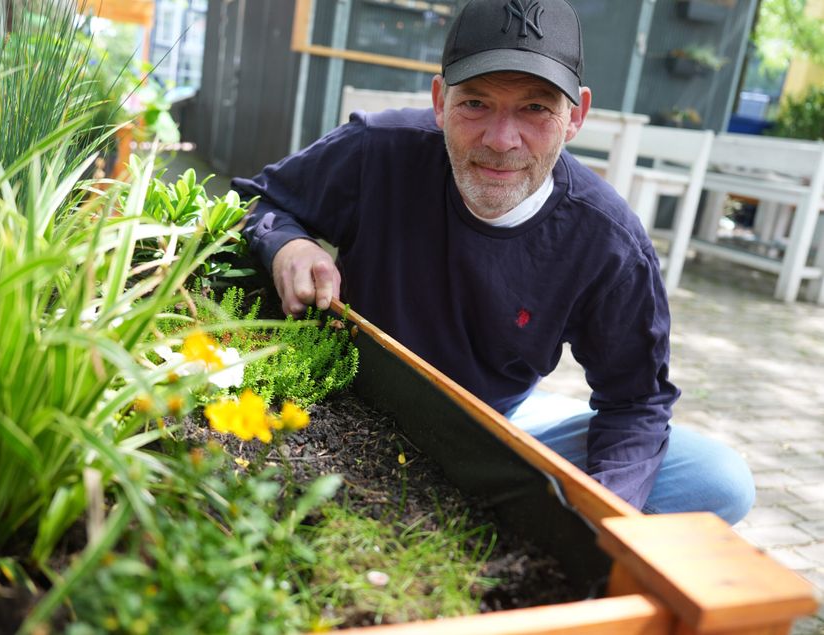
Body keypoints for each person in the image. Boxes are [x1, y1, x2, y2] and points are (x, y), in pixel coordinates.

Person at [232, 0, 754, 524]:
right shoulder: (378, 151)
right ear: (440, 101)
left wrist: (604, 517)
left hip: (491, 423)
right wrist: (290, 246)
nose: (501, 140)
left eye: (535, 108)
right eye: (476, 103)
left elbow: (637, 402)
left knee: (719, 480)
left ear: (575, 115)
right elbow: (258, 200)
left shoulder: (608, 241)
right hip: (348, 405)